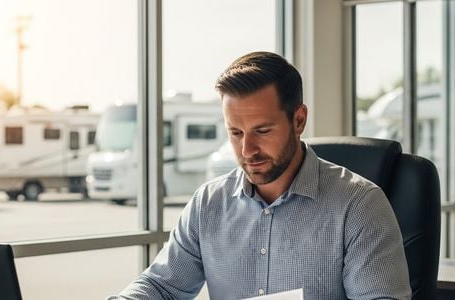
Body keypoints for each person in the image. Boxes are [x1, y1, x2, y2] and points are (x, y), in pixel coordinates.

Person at [112, 51, 410, 299]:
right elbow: (160, 286)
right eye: (235, 133)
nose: (247, 149)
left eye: (262, 131)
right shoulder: (208, 203)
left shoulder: (359, 206)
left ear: (299, 119)